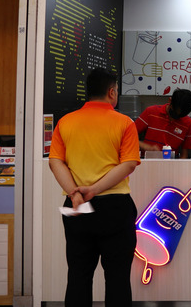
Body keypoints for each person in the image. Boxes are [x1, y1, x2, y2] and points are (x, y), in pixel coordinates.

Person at [48, 68, 141, 306]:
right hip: (115, 207)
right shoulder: (124, 123)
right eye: (117, 90)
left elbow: (55, 161)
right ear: (111, 92)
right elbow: (129, 164)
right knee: (118, 278)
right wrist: (95, 189)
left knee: (78, 275)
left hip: (76, 206)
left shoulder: (65, 122)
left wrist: (75, 193)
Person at [136, 89, 191, 158]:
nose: (175, 118)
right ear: (170, 100)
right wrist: (146, 146)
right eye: (174, 113)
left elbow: (184, 153)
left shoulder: (188, 123)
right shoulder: (151, 112)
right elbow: (127, 135)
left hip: (172, 163)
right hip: (147, 161)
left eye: (180, 116)